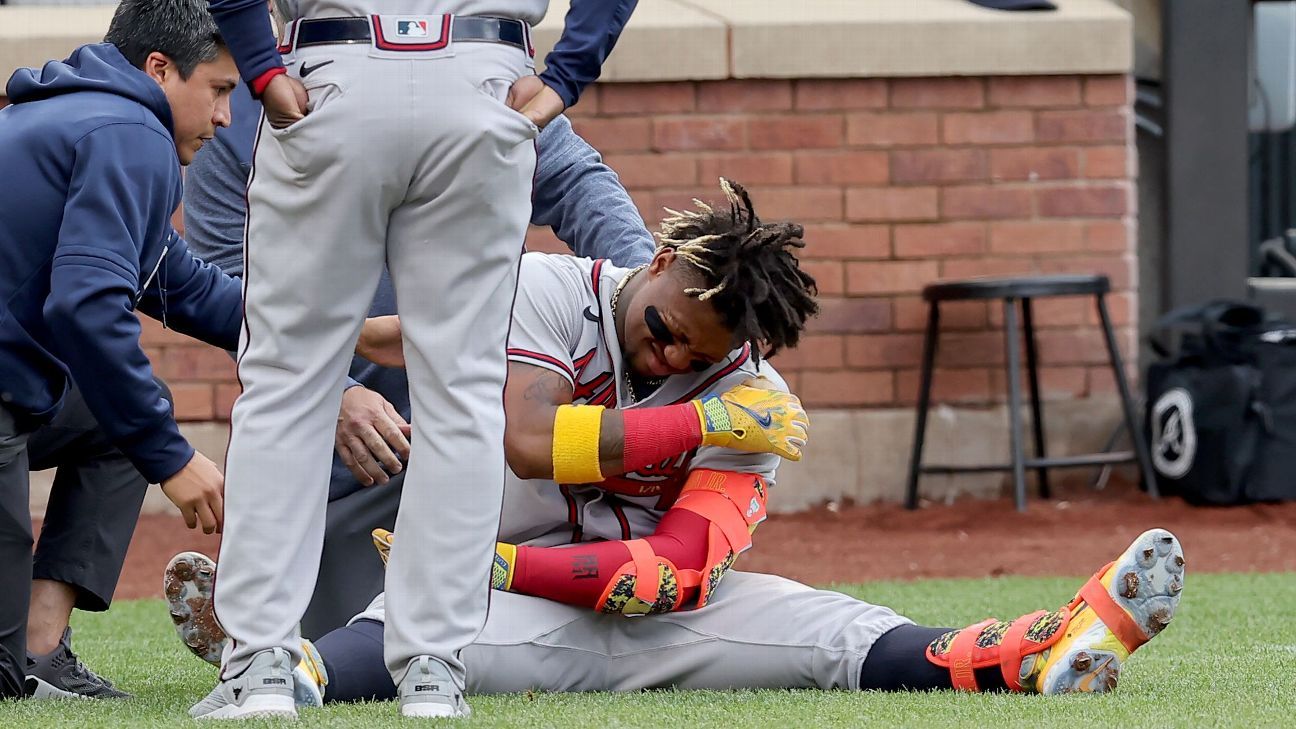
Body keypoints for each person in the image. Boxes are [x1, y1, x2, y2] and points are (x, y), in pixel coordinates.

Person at [166, 181, 1185, 703]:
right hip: (493, 595)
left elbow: (679, 576)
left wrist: (518, 553)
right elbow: (527, 443)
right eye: (663, 331)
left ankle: (1040, 653)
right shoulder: (552, 285)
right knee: (413, 628)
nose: (666, 359)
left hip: (630, 606)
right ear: (653, 263)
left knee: (834, 627)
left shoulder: (757, 394)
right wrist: (690, 423)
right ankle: (268, 663)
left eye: (696, 361)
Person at [200, 0, 639, 719]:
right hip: (482, 69)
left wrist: (261, 67)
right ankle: (433, 667)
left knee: (288, 382)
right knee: (464, 393)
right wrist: (568, 72)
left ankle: (260, 663)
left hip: (336, 65)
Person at [0, 0, 246, 701]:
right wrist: (170, 456)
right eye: (220, 90)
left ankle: (40, 650)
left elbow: (179, 282)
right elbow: (84, 305)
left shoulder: (93, 116)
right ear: (160, 70)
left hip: (12, 390)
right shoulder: (130, 131)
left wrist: (334, 330)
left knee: (119, 420)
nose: (226, 117)